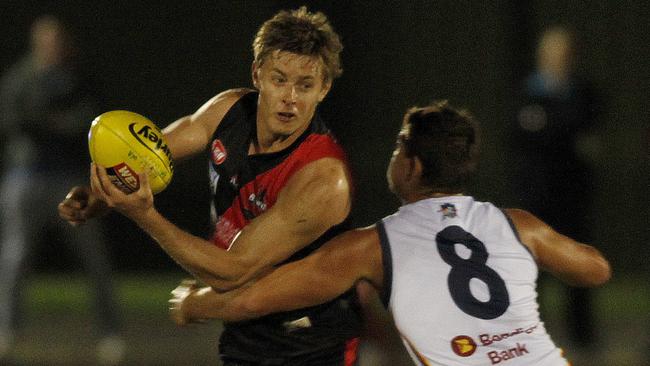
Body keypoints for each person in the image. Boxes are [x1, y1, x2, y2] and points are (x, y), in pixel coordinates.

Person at [169, 101, 611, 365]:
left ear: (413, 166)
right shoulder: (517, 224)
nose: (394, 152)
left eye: (400, 144)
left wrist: (195, 305)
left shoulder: (371, 246)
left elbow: (252, 298)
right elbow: (595, 270)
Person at [59, 7, 363, 365]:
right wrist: (101, 195)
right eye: (279, 79)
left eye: (305, 85)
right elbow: (152, 153)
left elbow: (232, 271)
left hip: (309, 344)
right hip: (243, 328)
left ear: (324, 89)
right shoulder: (229, 111)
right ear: (257, 74)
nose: (290, 98)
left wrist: (145, 216)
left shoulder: (322, 178)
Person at [0, 15, 124, 364]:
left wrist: (51, 123)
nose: (51, 46)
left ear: (64, 43)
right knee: (15, 259)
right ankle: (7, 332)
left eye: (56, 40)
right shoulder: (20, 79)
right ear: (35, 42)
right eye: (45, 40)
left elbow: (93, 123)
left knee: (94, 259)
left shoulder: (80, 78)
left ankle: (110, 334)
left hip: (71, 181)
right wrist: (54, 123)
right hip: (25, 179)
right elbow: (14, 123)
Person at [510, 26, 602, 347]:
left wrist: (553, 133)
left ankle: (583, 339)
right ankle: (530, 338)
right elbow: (524, 139)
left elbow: (586, 138)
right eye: (550, 51)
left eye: (562, 52)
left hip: (572, 196)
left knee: (576, 265)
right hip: (535, 196)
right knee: (530, 271)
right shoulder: (526, 93)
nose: (556, 58)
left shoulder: (585, 93)